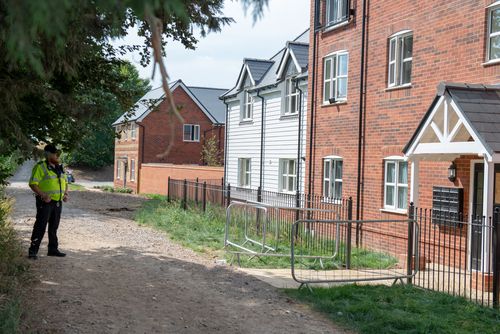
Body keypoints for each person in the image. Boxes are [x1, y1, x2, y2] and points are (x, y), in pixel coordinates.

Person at [28, 144, 69, 259]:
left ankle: (53, 249)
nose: (57, 156)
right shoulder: (40, 167)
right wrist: (43, 195)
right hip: (45, 202)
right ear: (48, 154)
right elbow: (32, 184)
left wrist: (65, 194)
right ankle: (33, 251)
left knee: (54, 227)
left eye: (58, 154)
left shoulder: (60, 167)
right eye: (55, 154)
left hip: (57, 202)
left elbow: (65, 182)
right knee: (40, 226)